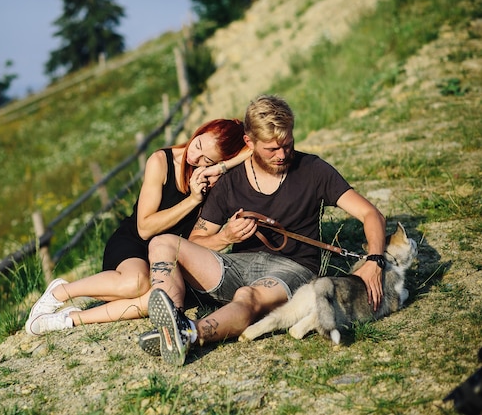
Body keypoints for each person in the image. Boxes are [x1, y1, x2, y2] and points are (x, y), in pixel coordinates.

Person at [140, 95, 387, 366]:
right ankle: (171, 321)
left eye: (287, 145)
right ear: (249, 143)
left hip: (293, 267)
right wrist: (226, 237)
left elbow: (370, 213)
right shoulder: (229, 182)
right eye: (271, 149)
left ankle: (188, 333)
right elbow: (196, 241)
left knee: (248, 296)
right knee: (162, 243)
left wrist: (374, 260)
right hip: (237, 265)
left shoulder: (314, 170)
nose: (281, 155)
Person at [25, 118, 252, 336]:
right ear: (199, 131)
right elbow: (144, 227)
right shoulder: (161, 161)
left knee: (158, 299)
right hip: (134, 244)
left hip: (167, 258)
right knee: (137, 283)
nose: (195, 157)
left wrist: (221, 167)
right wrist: (192, 200)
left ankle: (70, 319)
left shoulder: (212, 177)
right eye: (198, 144)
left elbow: (253, 149)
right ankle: (59, 292)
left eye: (207, 160)